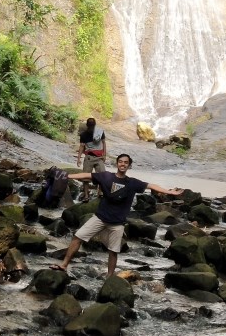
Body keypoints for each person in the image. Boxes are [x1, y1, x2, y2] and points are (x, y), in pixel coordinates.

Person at [51, 154, 183, 276]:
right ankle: (64, 265)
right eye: (120, 162)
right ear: (117, 164)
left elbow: (151, 186)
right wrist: (67, 176)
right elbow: (87, 175)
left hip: (117, 223)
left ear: (129, 166)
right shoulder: (107, 176)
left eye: (126, 162)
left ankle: (109, 277)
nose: (123, 164)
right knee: (77, 237)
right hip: (100, 218)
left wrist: (168, 191)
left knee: (113, 251)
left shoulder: (133, 183)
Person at [76, 117, 108, 201]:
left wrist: (104, 155)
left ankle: (100, 192)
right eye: (90, 125)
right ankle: (86, 195)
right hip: (89, 157)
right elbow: (82, 146)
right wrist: (78, 158)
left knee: (102, 175)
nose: (91, 127)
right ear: (87, 125)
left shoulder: (100, 132)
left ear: (94, 125)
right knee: (85, 177)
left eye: (92, 125)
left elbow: (104, 143)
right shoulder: (83, 135)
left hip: (99, 157)